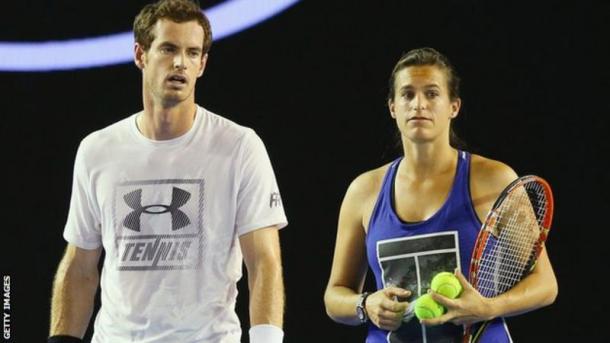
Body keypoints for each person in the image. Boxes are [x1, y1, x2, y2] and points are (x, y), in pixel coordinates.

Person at [48, 1, 287, 342]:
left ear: (202, 64)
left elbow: (264, 262)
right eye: (168, 49)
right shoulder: (96, 151)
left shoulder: (239, 147)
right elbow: (80, 266)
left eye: (192, 53)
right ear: (140, 55)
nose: (180, 63)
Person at [324, 47, 557, 342]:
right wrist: (365, 304)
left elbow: (545, 285)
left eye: (432, 94)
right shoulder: (363, 191)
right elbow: (335, 296)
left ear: (454, 106)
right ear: (393, 107)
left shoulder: (495, 180)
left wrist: (488, 307)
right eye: (407, 94)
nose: (418, 104)